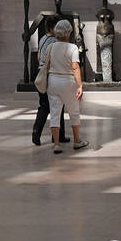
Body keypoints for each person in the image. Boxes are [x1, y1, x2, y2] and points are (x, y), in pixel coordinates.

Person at [46, 20, 87, 153]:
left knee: (55, 113)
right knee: (74, 111)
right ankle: (77, 141)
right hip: (68, 82)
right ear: (68, 32)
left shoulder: (51, 47)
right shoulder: (72, 48)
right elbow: (75, 67)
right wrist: (80, 85)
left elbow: (45, 64)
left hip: (53, 80)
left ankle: (56, 144)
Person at [32, 15, 69, 145]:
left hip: (41, 73)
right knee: (58, 105)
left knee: (44, 106)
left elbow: (38, 57)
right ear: (54, 28)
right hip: (50, 75)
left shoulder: (43, 38)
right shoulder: (54, 41)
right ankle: (59, 136)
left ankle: (36, 132)